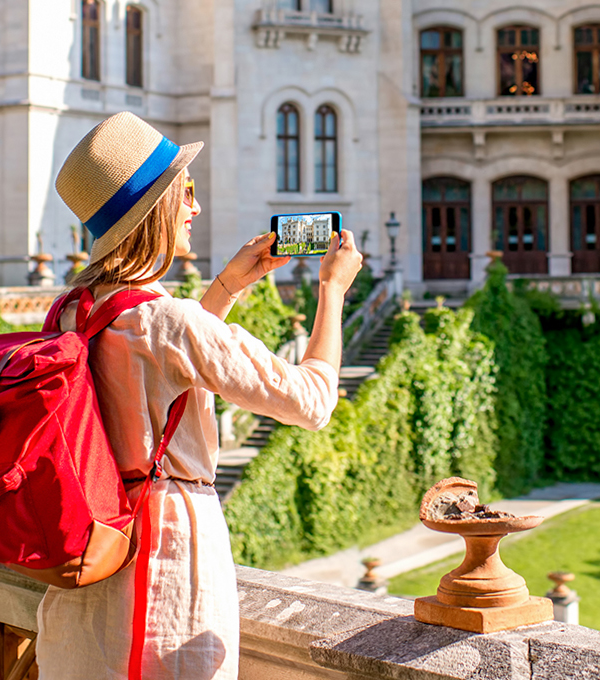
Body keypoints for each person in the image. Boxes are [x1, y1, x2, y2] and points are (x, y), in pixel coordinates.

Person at [37, 112, 361, 680]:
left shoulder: (72, 309)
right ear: (158, 207)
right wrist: (332, 292)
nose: (195, 207)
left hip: (90, 547)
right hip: (164, 555)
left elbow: (155, 377)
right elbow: (313, 401)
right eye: (186, 190)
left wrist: (226, 288)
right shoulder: (173, 322)